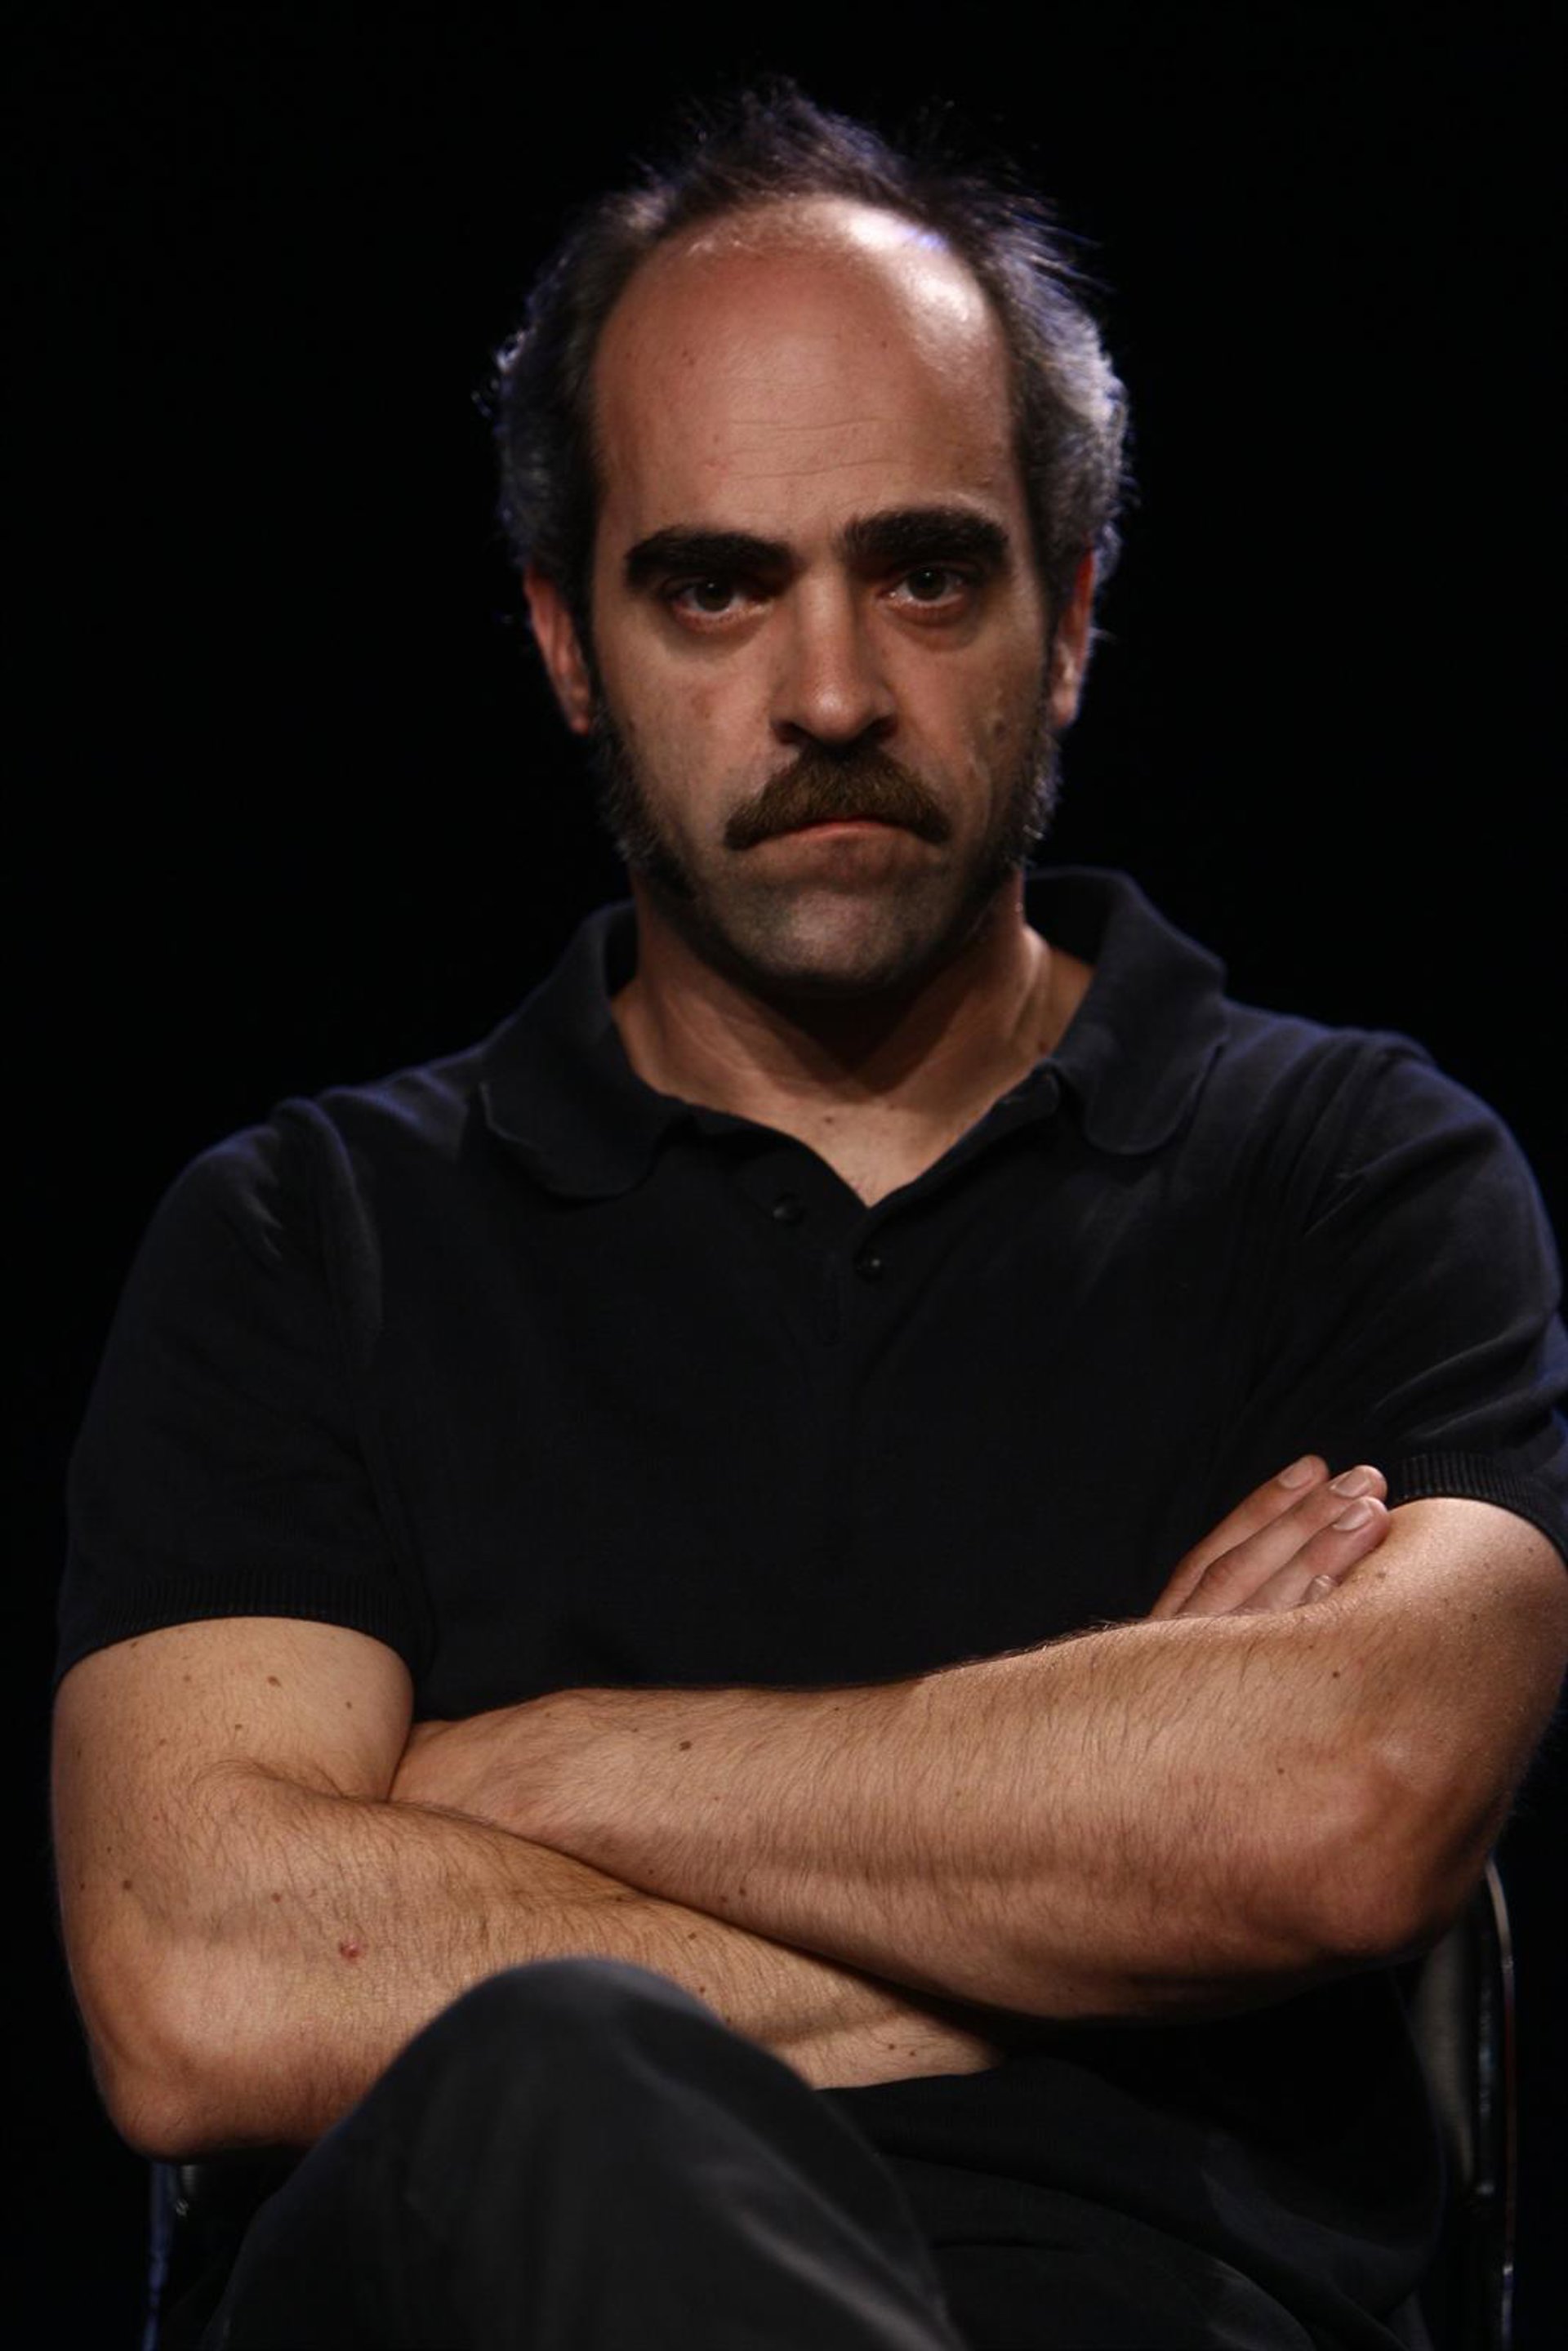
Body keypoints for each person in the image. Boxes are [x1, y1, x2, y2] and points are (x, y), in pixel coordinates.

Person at [52, 85, 1568, 2351]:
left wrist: (543, 1777)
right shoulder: (307, 1242)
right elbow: (201, 1978)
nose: (833, 689)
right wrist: (1103, 1879)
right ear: (569, 643)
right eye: (717, 586)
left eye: (926, 571)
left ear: (1073, 615)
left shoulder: (1358, 1177)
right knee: (556, 2083)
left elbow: (1349, 1803)